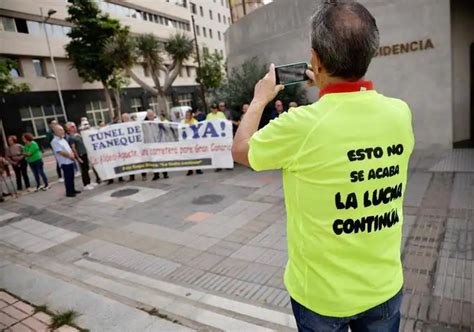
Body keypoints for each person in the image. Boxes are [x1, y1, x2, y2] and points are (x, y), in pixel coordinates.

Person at [232, 1, 414, 331]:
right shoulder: (400, 113)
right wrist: (330, 88)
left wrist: (259, 98)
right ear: (369, 53)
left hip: (320, 297)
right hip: (384, 287)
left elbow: (241, 150)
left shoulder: (301, 126)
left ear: (315, 58)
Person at [51, 125, 80, 197]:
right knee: (68, 177)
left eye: (62, 130)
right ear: (56, 132)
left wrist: (72, 155)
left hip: (70, 160)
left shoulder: (63, 139)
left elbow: (69, 148)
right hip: (65, 162)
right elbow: (60, 152)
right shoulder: (54, 141)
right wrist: (70, 156)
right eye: (60, 130)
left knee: (71, 176)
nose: (62, 131)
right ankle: (69, 192)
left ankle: (72, 189)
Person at [66, 122, 95, 190]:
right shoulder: (71, 138)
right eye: (73, 127)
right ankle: (86, 184)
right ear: (69, 128)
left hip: (84, 153)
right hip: (80, 154)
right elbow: (73, 148)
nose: (75, 127)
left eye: (75, 126)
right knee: (84, 169)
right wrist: (78, 157)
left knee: (87, 168)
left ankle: (89, 181)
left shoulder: (77, 135)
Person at [145, 110, 168, 180]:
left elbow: (164, 130)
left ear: (153, 115)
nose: (150, 117)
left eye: (151, 115)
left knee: (161, 159)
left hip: (159, 143)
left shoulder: (158, 122)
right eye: (149, 116)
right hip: (151, 145)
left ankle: (165, 173)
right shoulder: (146, 123)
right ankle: (156, 174)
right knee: (153, 160)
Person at [182, 111, 203, 176]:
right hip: (187, 142)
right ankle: (190, 170)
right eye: (186, 115)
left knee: (196, 155)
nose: (186, 116)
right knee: (188, 156)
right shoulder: (183, 122)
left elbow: (198, 130)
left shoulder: (195, 121)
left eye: (188, 115)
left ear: (191, 115)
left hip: (194, 142)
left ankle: (198, 169)